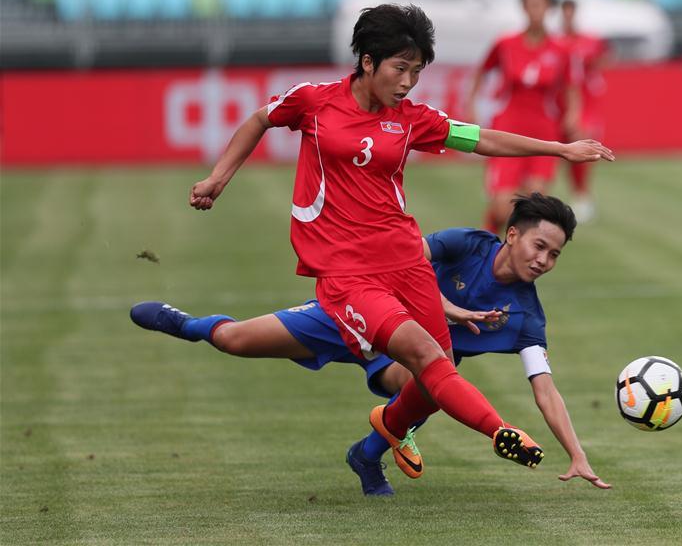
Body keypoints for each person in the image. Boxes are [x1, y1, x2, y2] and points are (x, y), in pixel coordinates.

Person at [186, 4, 614, 480]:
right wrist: (218, 178)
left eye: (416, 71)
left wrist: (558, 148)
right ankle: (497, 431)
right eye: (400, 68)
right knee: (247, 341)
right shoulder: (314, 100)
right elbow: (259, 120)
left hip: (406, 262)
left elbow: (480, 139)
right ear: (367, 61)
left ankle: (380, 437)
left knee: (434, 373)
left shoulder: (411, 119)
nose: (409, 81)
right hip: (347, 272)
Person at [131, 193, 611, 496]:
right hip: (357, 308)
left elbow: (544, 387)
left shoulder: (527, 316)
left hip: (402, 360)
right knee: (236, 340)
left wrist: (577, 452)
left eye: (555, 255)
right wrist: (447, 307)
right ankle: (187, 323)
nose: (545, 259)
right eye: (539, 246)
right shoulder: (468, 245)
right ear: (511, 235)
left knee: (436, 376)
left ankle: (372, 447)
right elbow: (401, 257)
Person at [466, 0, 581, 233]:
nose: (535, 10)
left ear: (548, 7)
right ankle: (489, 233)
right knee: (502, 207)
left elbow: (572, 87)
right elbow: (481, 72)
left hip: (543, 130)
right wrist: (472, 105)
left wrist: (573, 115)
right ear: (523, 7)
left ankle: (513, 268)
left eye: (540, 4)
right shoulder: (506, 43)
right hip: (508, 127)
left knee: (533, 205)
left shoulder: (562, 49)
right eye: (530, 4)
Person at [558, 0, 614, 222]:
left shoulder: (591, 41)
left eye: (571, 12)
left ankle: (583, 195)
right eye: (565, 12)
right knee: (565, 152)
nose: (568, 16)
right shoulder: (558, 42)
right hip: (563, 102)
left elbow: (605, 57)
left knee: (584, 144)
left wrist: (594, 77)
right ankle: (577, 194)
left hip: (586, 103)